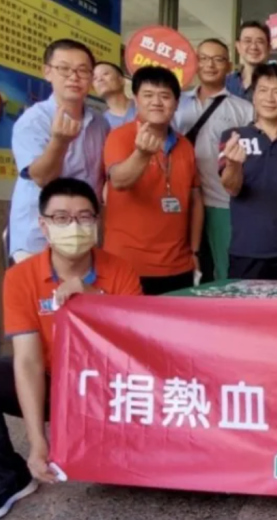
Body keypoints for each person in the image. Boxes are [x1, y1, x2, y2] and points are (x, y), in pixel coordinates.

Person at [1, 178, 142, 517]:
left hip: (107, 388)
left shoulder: (121, 271)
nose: (74, 227)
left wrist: (94, 300)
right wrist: (38, 442)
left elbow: (135, 347)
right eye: (61, 218)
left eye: (84, 217)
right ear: (43, 225)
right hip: (55, 387)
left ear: (97, 221)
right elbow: (28, 362)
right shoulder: (20, 278)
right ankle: (10, 477)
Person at [103, 66, 203, 295]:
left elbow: (196, 199)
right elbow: (119, 181)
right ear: (136, 100)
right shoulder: (120, 137)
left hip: (179, 265)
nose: (157, 102)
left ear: (176, 104)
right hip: (128, 265)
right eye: (148, 95)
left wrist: (195, 251)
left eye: (165, 96)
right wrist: (141, 154)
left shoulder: (185, 145)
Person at [10, 39, 109, 263]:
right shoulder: (33, 121)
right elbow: (42, 178)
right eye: (64, 68)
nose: (74, 77)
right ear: (47, 72)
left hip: (83, 236)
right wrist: (60, 142)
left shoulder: (100, 124)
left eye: (82, 70)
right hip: (38, 237)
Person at [219, 65, 277, 280]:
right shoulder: (233, 137)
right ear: (253, 96)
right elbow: (232, 188)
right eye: (263, 90)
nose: (270, 98)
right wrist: (234, 164)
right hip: (247, 249)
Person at [174, 38, 254, 282]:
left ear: (229, 66)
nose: (210, 65)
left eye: (218, 59)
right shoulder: (175, 103)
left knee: (223, 271)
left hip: (223, 203)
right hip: (180, 202)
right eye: (204, 59)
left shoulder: (243, 109)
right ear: (195, 62)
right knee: (182, 269)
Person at [226, 21, 271, 100]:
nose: (253, 47)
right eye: (247, 41)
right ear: (238, 46)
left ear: (269, 48)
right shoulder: (226, 82)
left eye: (260, 42)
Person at [92, 62, 135, 129]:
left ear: (121, 80)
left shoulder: (143, 106)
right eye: (94, 78)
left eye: (105, 74)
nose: (100, 79)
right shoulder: (102, 124)